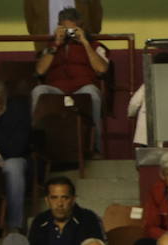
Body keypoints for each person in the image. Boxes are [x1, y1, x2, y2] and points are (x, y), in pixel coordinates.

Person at [30, 7, 108, 154]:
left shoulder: (94, 46)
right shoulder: (50, 47)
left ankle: (96, 147)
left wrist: (84, 42)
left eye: (73, 29)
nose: (69, 34)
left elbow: (102, 69)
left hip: (83, 88)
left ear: (81, 27)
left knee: (92, 93)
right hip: (56, 88)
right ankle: (36, 148)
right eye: (66, 29)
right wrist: (56, 44)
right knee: (38, 91)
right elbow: (40, 71)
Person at [27, 176, 102, 245]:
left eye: (65, 197)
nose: (59, 204)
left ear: (73, 199)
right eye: (54, 198)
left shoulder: (88, 218)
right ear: (47, 200)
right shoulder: (39, 220)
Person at [0, 81, 32, 232]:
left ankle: (13, 226)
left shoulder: (18, 110)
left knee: (13, 166)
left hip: (15, 159)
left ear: (3, 100)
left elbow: (15, 149)